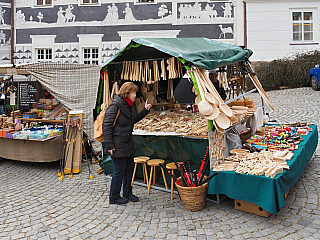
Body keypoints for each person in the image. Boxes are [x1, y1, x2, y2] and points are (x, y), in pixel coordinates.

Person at [103, 82, 152, 205]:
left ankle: (127, 192)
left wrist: (145, 111)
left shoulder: (130, 105)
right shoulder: (115, 105)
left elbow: (132, 120)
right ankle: (113, 196)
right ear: (127, 93)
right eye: (133, 93)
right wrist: (109, 145)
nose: (135, 95)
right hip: (117, 143)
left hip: (128, 142)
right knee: (119, 171)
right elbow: (107, 125)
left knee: (129, 169)